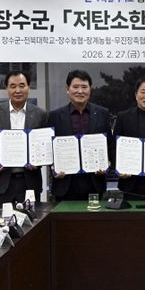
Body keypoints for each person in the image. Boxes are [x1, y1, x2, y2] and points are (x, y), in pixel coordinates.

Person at [0, 71, 48, 206]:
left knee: (30, 219)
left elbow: (45, 146)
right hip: (1, 182)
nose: (17, 90)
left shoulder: (40, 114)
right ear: (6, 88)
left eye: (22, 86)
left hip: (29, 182)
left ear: (29, 87)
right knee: (0, 219)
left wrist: (38, 162)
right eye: (13, 86)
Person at [48, 69, 111, 201]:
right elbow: (49, 150)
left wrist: (107, 164)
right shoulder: (54, 116)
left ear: (90, 89)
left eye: (84, 87)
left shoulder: (102, 114)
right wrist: (54, 169)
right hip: (65, 184)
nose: (80, 91)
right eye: (75, 87)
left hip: (94, 182)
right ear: (67, 89)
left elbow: (110, 145)